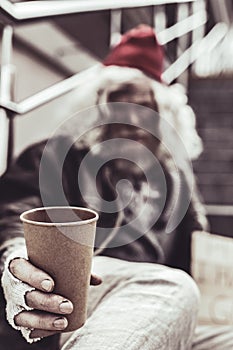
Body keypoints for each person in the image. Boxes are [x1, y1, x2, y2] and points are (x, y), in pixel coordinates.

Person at [0, 25, 228, 350]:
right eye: (120, 106)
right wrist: (17, 257)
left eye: (144, 109)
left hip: (161, 308)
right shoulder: (57, 158)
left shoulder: (176, 180)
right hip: (85, 289)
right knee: (170, 285)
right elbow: (14, 214)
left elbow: (197, 246)